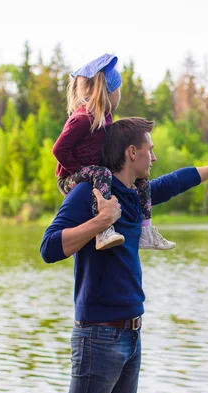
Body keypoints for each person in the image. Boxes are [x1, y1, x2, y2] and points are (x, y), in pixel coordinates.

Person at [40, 116, 208, 393]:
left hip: (132, 333)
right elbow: (49, 248)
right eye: (149, 149)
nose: (154, 157)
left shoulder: (137, 196)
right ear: (131, 152)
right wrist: (101, 221)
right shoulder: (88, 194)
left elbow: (179, 180)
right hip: (98, 337)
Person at [52, 53, 174, 251]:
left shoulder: (106, 118)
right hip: (69, 179)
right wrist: (83, 171)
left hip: (94, 174)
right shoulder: (82, 118)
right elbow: (59, 149)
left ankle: (145, 230)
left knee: (141, 179)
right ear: (108, 93)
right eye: (119, 90)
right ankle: (103, 230)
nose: (120, 95)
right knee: (101, 173)